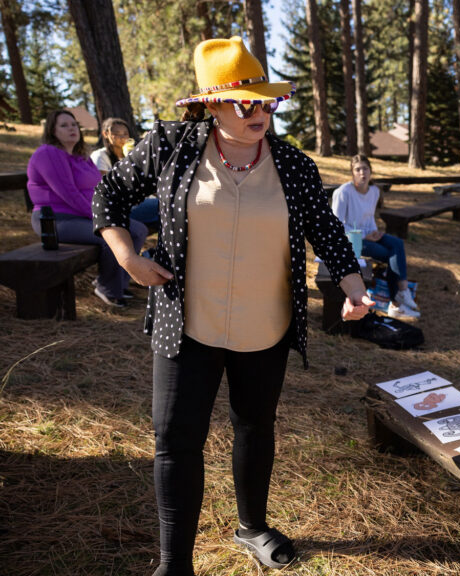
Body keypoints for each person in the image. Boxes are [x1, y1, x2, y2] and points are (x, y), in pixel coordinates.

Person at [92, 37, 374, 576]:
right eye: (246, 102)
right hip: (187, 322)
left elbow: (326, 229)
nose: (260, 112)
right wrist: (127, 257)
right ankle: (175, 564)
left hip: (264, 326)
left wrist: (354, 286)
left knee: (255, 426)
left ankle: (252, 526)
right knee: (176, 441)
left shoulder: (292, 165)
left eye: (266, 100)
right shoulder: (171, 145)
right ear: (211, 104)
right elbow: (109, 197)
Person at [27, 109, 147, 307]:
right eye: (64, 125)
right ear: (52, 130)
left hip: (83, 216)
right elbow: (69, 194)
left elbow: (100, 188)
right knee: (112, 236)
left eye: (74, 124)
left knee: (138, 230)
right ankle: (106, 287)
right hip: (56, 219)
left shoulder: (81, 156)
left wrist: (114, 210)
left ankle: (119, 283)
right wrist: (103, 218)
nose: (71, 129)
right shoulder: (49, 153)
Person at [331, 154, 420, 319]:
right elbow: (336, 225)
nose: (362, 173)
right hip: (351, 239)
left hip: (368, 235)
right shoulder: (343, 192)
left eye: (365, 168)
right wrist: (365, 235)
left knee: (397, 243)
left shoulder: (374, 191)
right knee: (390, 254)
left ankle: (401, 292)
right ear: (352, 173)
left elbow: (370, 216)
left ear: (370, 171)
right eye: (358, 169)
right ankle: (397, 300)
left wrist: (375, 232)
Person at [91, 116, 160, 228]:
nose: (122, 137)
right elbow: (102, 187)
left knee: (168, 204)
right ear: (105, 134)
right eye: (117, 133)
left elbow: (145, 181)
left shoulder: (130, 154)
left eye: (125, 133)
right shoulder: (100, 156)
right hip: (117, 207)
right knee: (164, 207)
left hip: (137, 202)